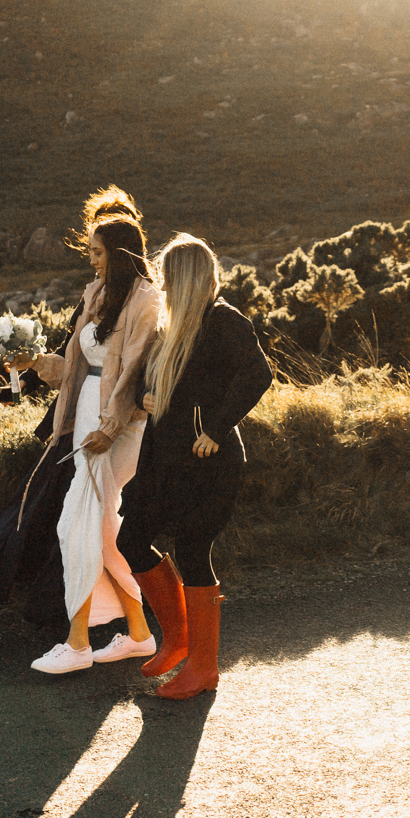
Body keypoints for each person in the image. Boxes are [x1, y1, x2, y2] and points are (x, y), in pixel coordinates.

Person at [8, 189, 162, 673]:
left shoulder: (147, 302)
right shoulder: (96, 294)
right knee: (104, 532)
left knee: (75, 524)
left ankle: (76, 645)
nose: (90, 260)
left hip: (117, 429)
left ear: (117, 254)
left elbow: (135, 371)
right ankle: (139, 633)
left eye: (96, 252)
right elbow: (78, 366)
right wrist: (32, 363)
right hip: (85, 424)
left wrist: (111, 427)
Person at [118, 234, 272, 700]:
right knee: (131, 538)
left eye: (167, 277)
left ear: (186, 278)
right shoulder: (171, 327)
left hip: (208, 460)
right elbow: (153, 377)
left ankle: (204, 668)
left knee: (191, 548)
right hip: (164, 457)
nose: (160, 285)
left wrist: (218, 428)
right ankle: (179, 641)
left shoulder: (224, 321)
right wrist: (146, 394)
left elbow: (257, 374)